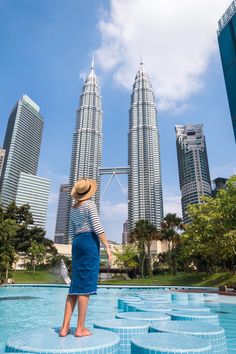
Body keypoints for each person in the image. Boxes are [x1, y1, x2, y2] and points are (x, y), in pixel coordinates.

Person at [60, 178, 112, 337]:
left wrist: (76, 244)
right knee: (85, 287)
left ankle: (64, 328)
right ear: (89, 192)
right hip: (89, 241)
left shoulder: (73, 209)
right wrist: (107, 247)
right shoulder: (89, 205)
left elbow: (70, 232)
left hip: (76, 242)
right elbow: (97, 227)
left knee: (75, 286)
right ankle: (80, 328)